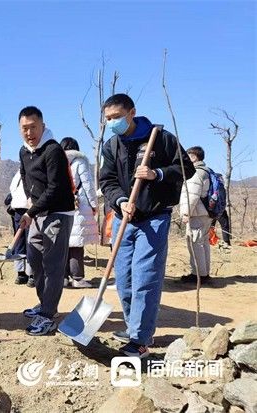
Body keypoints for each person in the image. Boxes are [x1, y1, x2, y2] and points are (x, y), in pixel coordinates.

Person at [99, 93, 195, 358]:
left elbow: (186, 168)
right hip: (124, 218)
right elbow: (106, 180)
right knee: (124, 279)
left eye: (116, 117)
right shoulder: (111, 145)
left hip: (154, 218)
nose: (112, 122)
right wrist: (120, 201)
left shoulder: (161, 138)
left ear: (131, 113)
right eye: (108, 119)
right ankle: (134, 327)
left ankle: (140, 340)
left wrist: (158, 174)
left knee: (145, 278)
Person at [18, 106, 76, 336]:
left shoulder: (53, 150)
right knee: (34, 258)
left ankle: (48, 315)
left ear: (43, 125)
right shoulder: (24, 152)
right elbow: (25, 177)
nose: (29, 132)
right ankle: (45, 303)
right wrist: (31, 203)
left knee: (53, 264)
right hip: (38, 212)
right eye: (25, 128)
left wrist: (31, 211)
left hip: (58, 213)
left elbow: (56, 187)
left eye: (33, 127)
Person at [60, 137, 99, 289]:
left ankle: (62, 278)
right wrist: (94, 205)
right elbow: (88, 185)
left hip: (61, 206)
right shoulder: (80, 161)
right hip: (79, 206)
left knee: (62, 244)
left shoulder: (57, 161)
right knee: (76, 244)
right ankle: (77, 277)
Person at [180, 146, 213, 284]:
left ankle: (198, 275)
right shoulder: (207, 171)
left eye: (188, 156)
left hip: (197, 214)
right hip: (205, 214)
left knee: (195, 244)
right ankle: (204, 273)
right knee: (203, 242)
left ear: (194, 157)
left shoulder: (196, 173)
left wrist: (186, 213)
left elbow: (191, 195)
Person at [7, 169, 33, 286]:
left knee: (20, 241)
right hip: (31, 208)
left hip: (18, 208)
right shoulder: (36, 168)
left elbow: (12, 188)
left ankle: (21, 274)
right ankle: (32, 275)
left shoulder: (18, 172)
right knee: (31, 241)